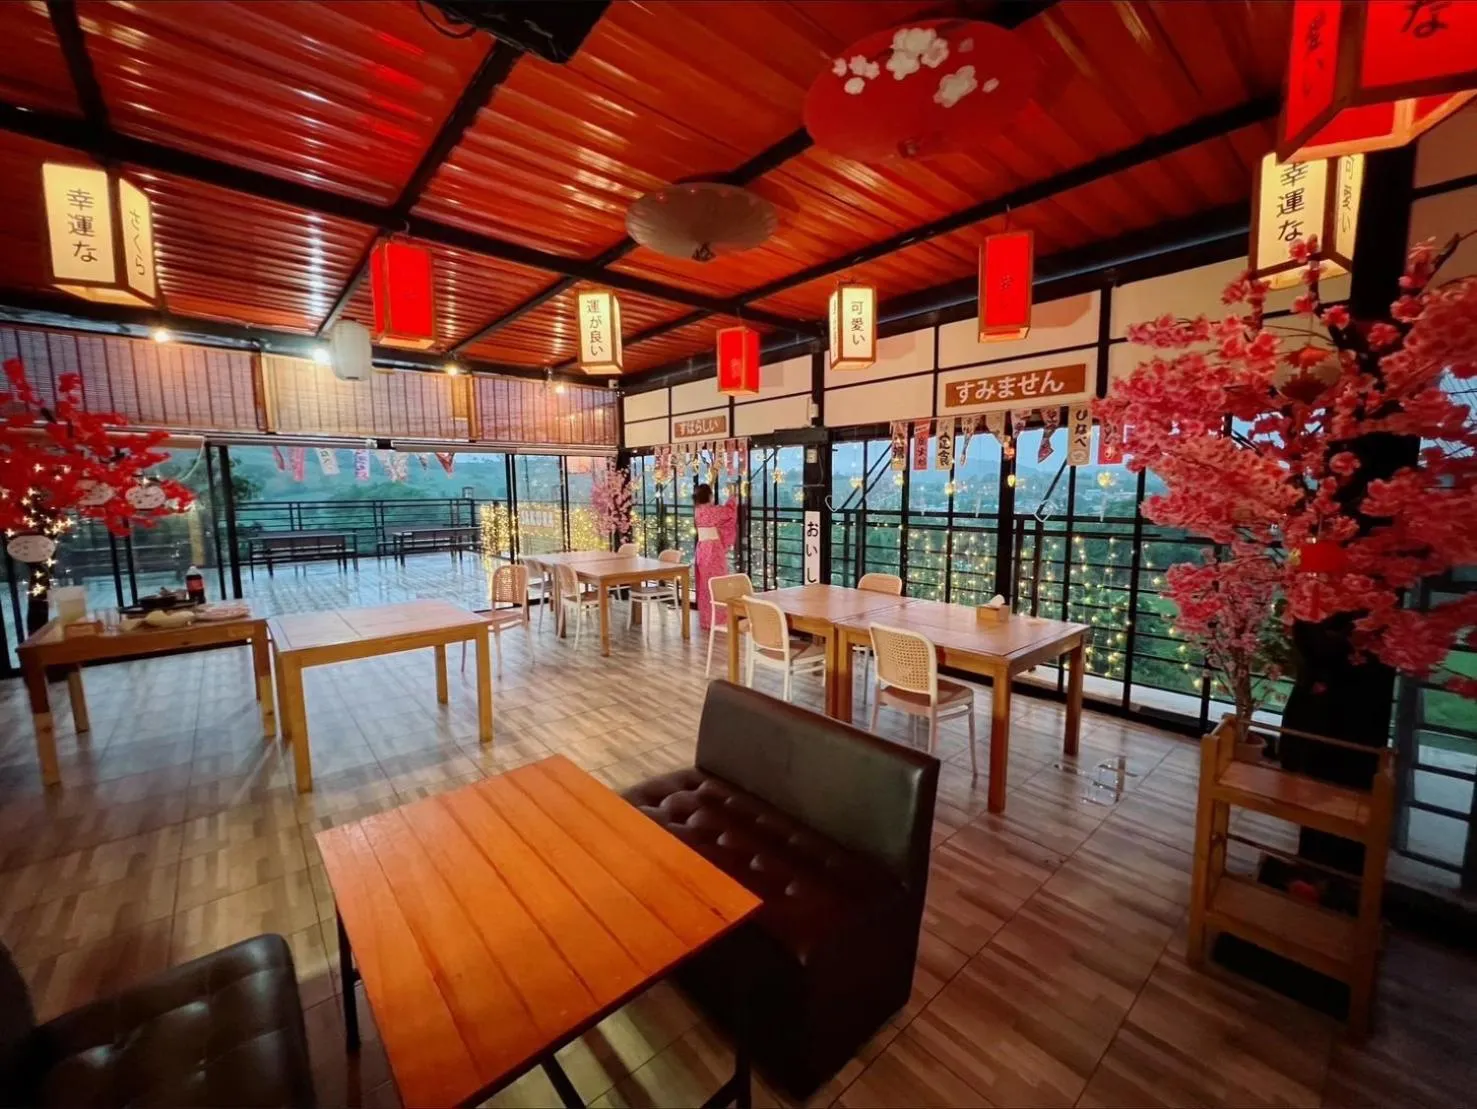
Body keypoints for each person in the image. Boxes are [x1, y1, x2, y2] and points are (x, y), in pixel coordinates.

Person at [693, 483, 737, 632]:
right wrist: (732, 495)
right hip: (713, 550)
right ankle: (718, 618)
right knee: (717, 583)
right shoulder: (713, 511)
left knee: (705, 585)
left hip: (701, 549)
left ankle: (706, 619)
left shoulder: (698, 510)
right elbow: (729, 512)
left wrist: (711, 480)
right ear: (710, 496)